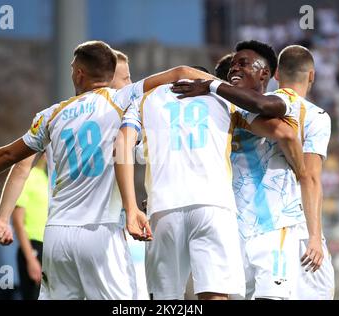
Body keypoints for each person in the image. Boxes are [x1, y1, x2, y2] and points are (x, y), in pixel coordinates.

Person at [0, 40, 216, 299]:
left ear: (79, 73)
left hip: (56, 237)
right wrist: (224, 90)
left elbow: (8, 155)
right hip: (100, 233)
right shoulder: (121, 100)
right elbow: (181, 70)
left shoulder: (51, 114)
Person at [117, 53, 306, 299]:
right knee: (215, 294)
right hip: (214, 206)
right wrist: (301, 171)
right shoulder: (223, 99)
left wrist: (131, 208)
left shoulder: (145, 100)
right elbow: (283, 132)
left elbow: (121, 146)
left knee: (164, 298)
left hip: (163, 208)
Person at [171, 40, 310, 300]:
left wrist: (301, 173)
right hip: (230, 225)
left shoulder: (281, 98)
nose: (235, 68)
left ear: (265, 73)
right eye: (233, 64)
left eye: (243, 63)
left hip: (272, 223)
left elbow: (285, 134)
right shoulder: (222, 110)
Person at [275, 44, 335, 299]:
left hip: (248, 227)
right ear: (312, 75)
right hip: (295, 227)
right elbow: (309, 176)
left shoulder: (250, 109)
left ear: (276, 74)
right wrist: (314, 236)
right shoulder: (316, 116)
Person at [12, 155, 48, 300]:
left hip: (48, 247)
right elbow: (17, 220)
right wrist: (31, 258)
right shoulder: (28, 177)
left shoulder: (48, 180)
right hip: (32, 248)